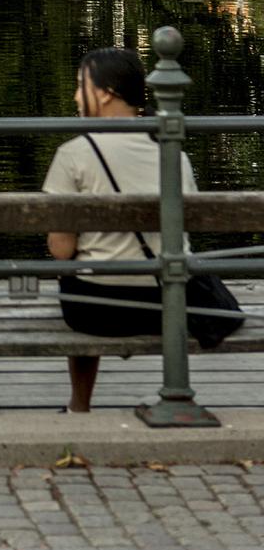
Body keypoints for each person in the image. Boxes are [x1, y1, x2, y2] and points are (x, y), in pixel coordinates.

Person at [42, 47, 196, 414]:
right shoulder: (174, 153)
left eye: (82, 86)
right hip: (169, 302)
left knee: (80, 270)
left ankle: (79, 405)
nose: (76, 96)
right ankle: (176, 391)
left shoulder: (74, 154)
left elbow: (61, 250)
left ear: (107, 92)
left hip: (98, 309)